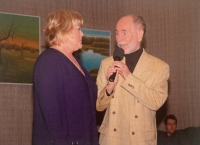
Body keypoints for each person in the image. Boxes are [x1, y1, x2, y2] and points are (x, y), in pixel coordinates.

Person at [96, 14, 170, 145]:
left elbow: (156, 102)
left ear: (140, 35)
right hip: (111, 139)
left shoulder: (159, 67)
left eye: (124, 33)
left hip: (139, 140)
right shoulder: (106, 63)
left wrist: (129, 78)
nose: (119, 39)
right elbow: (98, 106)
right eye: (117, 33)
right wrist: (108, 89)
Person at [32, 10, 99, 145]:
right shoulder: (49, 61)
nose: (82, 34)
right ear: (66, 30)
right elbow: (52, 115)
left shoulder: (74, 61)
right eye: (79, 29)